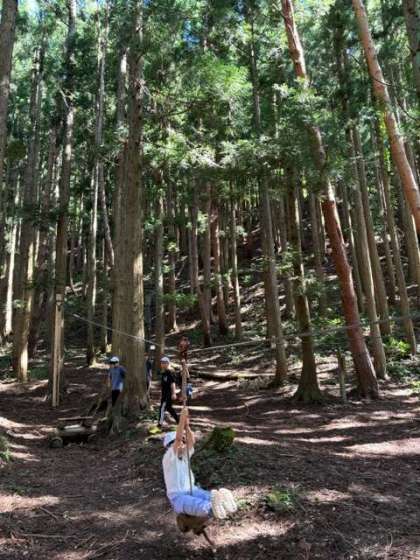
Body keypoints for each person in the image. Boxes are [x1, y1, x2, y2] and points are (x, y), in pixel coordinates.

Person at [162, 408, 237, 520]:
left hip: (193, 489)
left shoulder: (184, 455)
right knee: (199, 505)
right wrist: (181, 419)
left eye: (183, 441)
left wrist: (187, 426)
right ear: (169, 446)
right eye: (179, 442)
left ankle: (223, 503)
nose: (182, 443)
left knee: (211, 496)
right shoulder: (168, 457)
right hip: (178, 497)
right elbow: (177, 440)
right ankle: (212, 509)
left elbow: (191, 442)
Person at [158, 356, 179, 427]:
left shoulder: (170, 372)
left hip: (169, 394)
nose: (162, 364)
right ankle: (178, 421)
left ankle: (159, 425)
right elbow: (163, 385)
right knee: (169, 408)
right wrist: (161, 394)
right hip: (164, 394)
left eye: (164, 363)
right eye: (161, 363)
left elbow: (172, 383)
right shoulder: (164, 372)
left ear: (168, 363)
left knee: (162, 408)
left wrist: (173, 393)